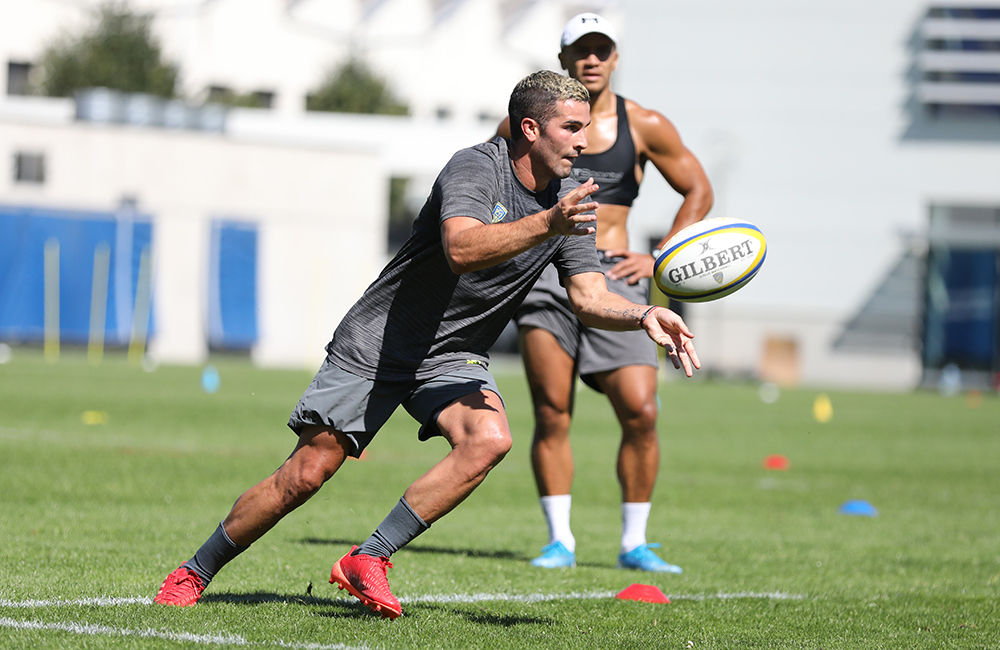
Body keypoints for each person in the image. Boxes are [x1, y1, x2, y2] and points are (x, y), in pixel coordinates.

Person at [153, 70, 701, 619]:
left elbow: (587, 296)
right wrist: (547, 223)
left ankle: (368, 558)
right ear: (531, 129)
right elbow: (461, 249)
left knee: (489, 438)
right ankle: (193, 572)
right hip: (380, 342)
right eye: (572, 128)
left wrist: (644, 313)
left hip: (453, 356)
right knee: (305, 475)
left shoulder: (573, 199)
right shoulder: (476, 167)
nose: (584, 141)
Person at [495, 13, 714, 573]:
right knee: (552, 410)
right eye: (581, 50)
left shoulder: (645, 124)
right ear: (563, 58)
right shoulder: (525, 125)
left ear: (616, 58)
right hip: (545, 277)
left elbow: (698, 189)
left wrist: (661, 256)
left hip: (615, 276)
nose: (591, 59)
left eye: (602, 50)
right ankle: (559, 541)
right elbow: (495, 187)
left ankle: (635, 542)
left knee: (641, 410)